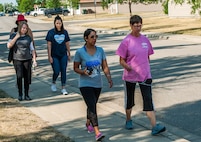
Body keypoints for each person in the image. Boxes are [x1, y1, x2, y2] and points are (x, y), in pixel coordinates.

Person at [116, 15, 166, 135]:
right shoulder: (126, 41)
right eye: (135, 25)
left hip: (145, 75)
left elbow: (147, 56)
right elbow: (121, 60)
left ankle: (154, 127)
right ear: (131, 26)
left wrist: (145, 68)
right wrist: (128, 67)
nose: (138, 27)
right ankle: (128, 119)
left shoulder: (145, 40)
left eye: (140, 25)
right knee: (130, 100)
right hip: (130, 76)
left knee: (148, 100)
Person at [73, 28, 113, 141]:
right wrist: (83, 72)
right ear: (86, 38)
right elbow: (75, 68)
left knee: (92, 104)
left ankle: (88, 122)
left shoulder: (100, 50)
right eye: (92, 37)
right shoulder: (80, 52)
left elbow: (105, 66)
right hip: (85, 84)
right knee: (92, 106)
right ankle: (97, 132)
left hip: (97, 83)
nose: (94, 39)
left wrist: (109, 78)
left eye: (96, 37)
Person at [7, 21, 37, 101]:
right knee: (19, 76)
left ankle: (26, 94)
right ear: (20, 27)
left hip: (27, 59)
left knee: (27, 77)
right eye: (23, 28)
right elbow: (9, 45)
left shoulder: (28, 37)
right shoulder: (13, 35)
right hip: (17, 59)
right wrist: (16, 37)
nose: (25, 29)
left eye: (26, 28)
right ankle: (20, 94)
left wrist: (34, 60)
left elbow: (32, 49)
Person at [45, 15, 71, 95]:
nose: (58, 25)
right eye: (57, 23)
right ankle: (53, 82)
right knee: (56, 70)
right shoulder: (51, 32)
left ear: (62, 23)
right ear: (54, 24)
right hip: (54, 55)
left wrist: (69, 53)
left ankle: (63, 87)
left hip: (63, 54)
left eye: (60, 23)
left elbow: (67, 43)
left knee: (63, 70)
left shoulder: (65, 32)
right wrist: (49, 56)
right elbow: (49, 45)